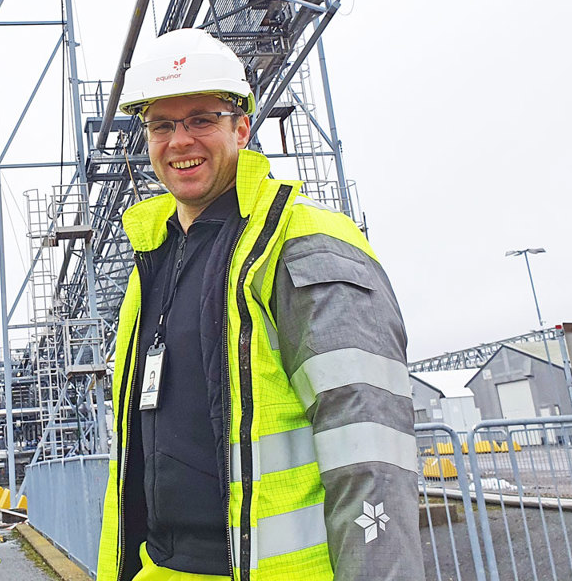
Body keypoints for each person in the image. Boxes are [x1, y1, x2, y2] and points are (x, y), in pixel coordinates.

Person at [96, 28, 423, 581]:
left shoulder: (303, 241)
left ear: (241, 128)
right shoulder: (152, 257)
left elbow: (367, 440)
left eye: (201, 119)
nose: (180, 142)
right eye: (162, 126)